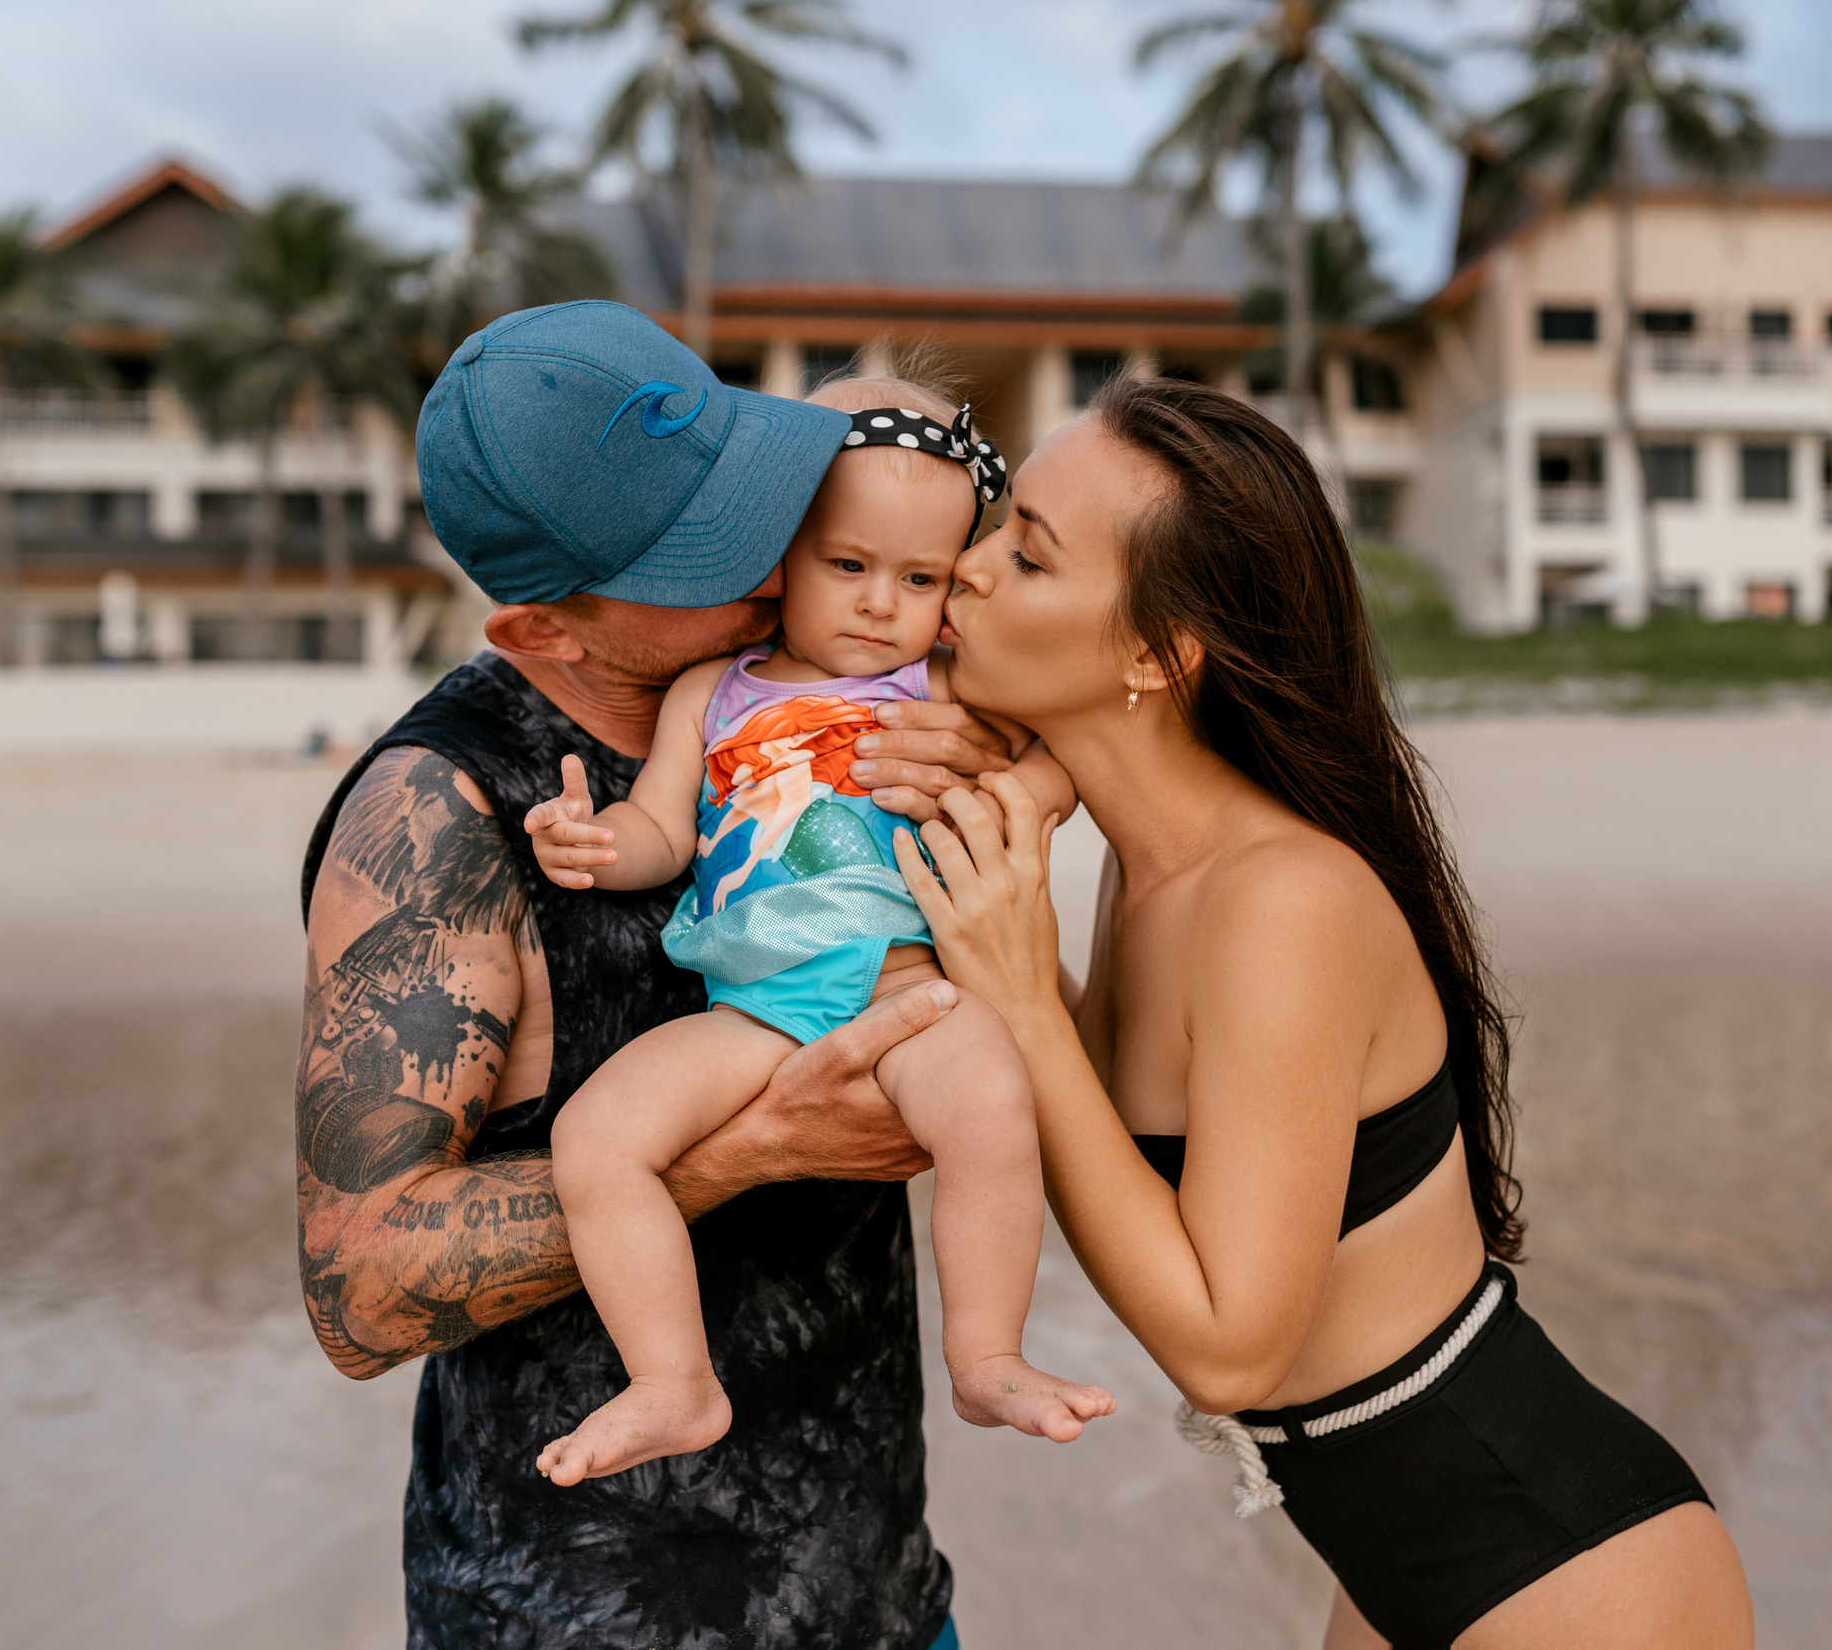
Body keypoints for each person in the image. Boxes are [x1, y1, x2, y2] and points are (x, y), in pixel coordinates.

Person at [899, 377, 1757, 1650]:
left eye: (1023, 554)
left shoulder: (1279, 901)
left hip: (1565, 1573)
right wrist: (1000, 906)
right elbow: (1100, 1145)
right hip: (1394, 1566)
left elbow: (1230, 1353)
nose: (962, 573)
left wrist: (1020, 992)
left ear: (1155, 653)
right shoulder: (1154, 871)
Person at [295, 302, 1011, 1649]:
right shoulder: (442, 814)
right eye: (698, 548)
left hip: (877, 1587)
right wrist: (755, 1143)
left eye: (747, 490)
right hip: (576, 1612)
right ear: (541, 630)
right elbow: (360, 1283)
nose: (767, 547)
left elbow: (918, 463)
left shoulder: (839, 669)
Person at [521, 375, 1112, 1487]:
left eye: (920, 577)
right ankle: (672, 1380)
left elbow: (1066, 740)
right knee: (595, 1140)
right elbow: (659, 825)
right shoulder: (713, 690)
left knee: (989, 1102)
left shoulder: (940, 681)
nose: (881, 603)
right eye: (849, 565)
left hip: (905, 991)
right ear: (780, 560)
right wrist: (595, 843)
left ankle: (987, 1354)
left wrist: (1026, 794)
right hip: (753, 1012)